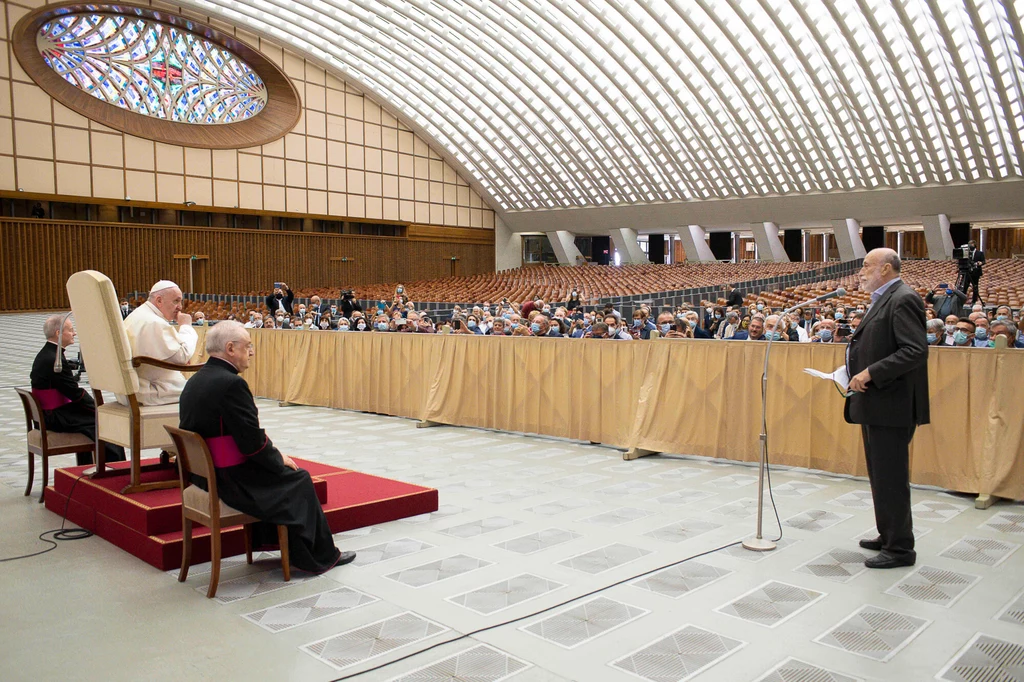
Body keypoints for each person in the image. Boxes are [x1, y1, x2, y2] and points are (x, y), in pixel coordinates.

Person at [178, 322, 355, 573]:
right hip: (229, 480)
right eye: (248, 346)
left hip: (205, 476)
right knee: (299, 478)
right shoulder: (231, 384)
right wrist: (278, 459)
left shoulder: (195, 380)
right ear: (230, 348)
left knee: (282, 475)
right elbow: (251, 444)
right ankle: (319, 556)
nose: (251, 351)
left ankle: (278, 543)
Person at [846, 248, 929, 569]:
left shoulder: (902, 297)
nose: (861, 272)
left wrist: (870, 372)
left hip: (891, 404)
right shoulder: (885, 297)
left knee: (891, 478)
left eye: (867, 266)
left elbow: (915, 351)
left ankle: (900, 549)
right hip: (877, 403)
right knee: (881, 476)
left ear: (885, 269)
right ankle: (888, 534)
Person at [30, 315, 126, 465]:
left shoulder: (47, 354)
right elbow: (75, 394)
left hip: (50, 413)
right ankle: (115, 469)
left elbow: (62, 384)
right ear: (58, 333)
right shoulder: (55, 360)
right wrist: (98, 407)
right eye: (71, 330)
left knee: (95, 418)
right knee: (105, 423)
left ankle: (89, 465)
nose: (74, 333)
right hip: (54, 417)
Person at [123, 280, 198, 405]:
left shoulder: (139, 315)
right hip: (153, 390)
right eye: (176, 301)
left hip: (139, 387)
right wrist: (186, 327)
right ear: (159, 301)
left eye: (180, 301)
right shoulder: (153, 322)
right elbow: (182, 356)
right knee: (211, 392)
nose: (180, 307)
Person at [965, 240, 985, 305]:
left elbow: (983, 261)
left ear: (974, 244)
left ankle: (974, 301)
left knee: (975, 287)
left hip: (976, 272)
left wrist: (980, 263)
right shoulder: (966, 253)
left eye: (971, 244)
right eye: (969, 244)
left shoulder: (980, 253)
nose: (970, 245)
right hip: (968, 272)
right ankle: (962, 300)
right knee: (965, 286)